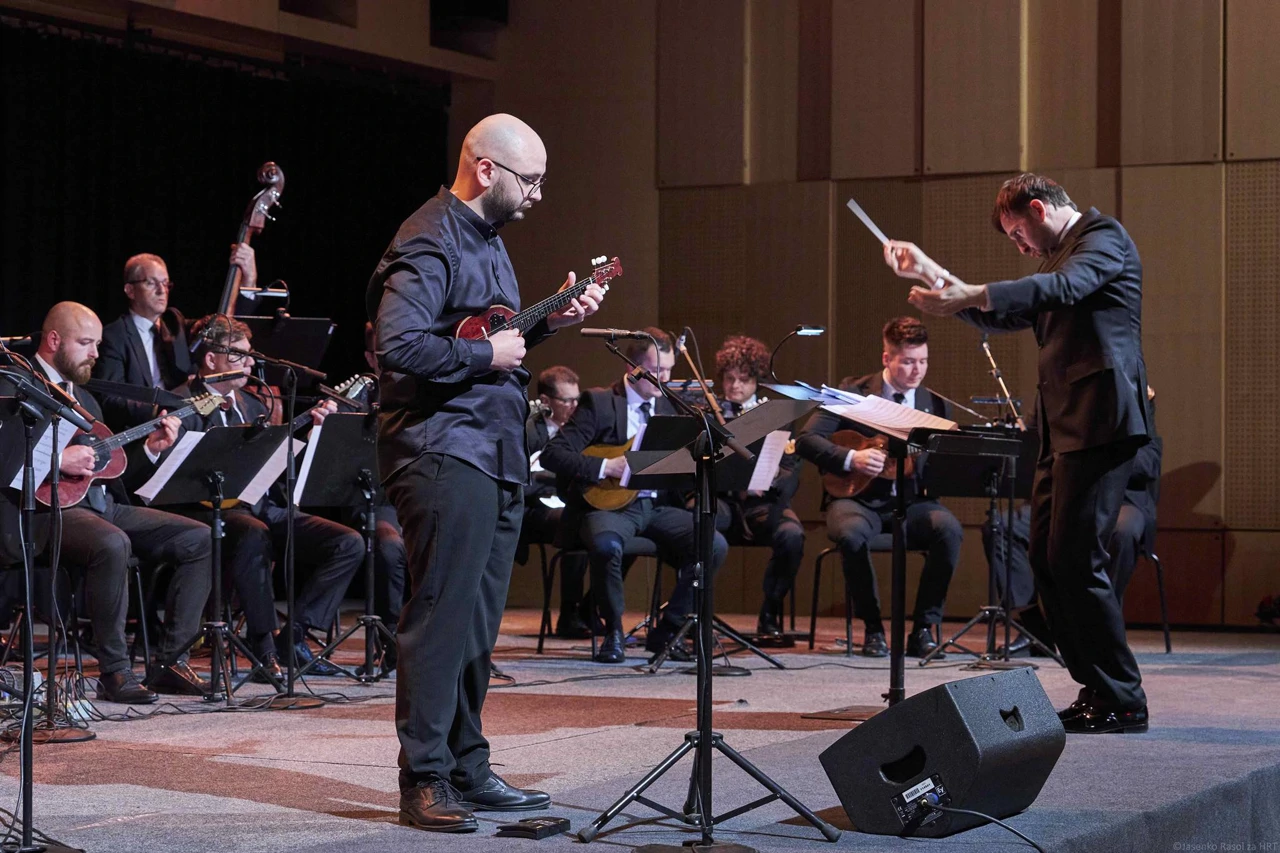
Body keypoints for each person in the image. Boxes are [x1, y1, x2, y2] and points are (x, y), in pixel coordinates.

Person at [367, 113, 606, 832]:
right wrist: (487, 358)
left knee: (476, 623)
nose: (538, 193)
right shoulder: (428, 238)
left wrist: (542, 327)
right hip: (443, 451)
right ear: (486, 170)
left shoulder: (492, 243)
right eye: (530, 179)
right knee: (440, 619)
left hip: (492, 452)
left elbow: (487, 335)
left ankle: (467, 763)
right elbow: (399, 345)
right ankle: (426, 778)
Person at [885, 172, 1155, 734]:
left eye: (1017, 233)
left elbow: (1057, 291)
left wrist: (972, 290)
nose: (1020, 245)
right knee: (1047, 561)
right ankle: (1098, 688)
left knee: (1079, 561)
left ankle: (1123, 698)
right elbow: (1006, 313)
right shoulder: (1057, 260)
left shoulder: (1103, 238)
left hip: (1103, 422)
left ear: (1038, 207)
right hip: (1064, 428)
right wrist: (932, 272)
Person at [32, 302, 213, 703]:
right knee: (113, 542)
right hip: (42, 512)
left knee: (199, 538)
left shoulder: (85, 399)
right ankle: (113, 673)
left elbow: (108, 475)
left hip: (98, 505)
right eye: (86, 343)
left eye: (98, 343)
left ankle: (170, 663)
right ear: (54, 340)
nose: (96, 353)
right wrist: (57, 460)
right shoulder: (17, 386)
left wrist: (150, 449)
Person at [170, 314, 363, 682]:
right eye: (238, 355)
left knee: (347, 543)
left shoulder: (253, 405)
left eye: (249, 355)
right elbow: (180, 472)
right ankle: (264, 649)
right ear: (211, 360)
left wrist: (311, 434)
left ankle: (294, 633)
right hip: (204, 510)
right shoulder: (184, 402)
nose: (249, 363)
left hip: (260, 506)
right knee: (253, 531)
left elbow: (274, 468)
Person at [540, 329, 729, 664]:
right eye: (658, 371)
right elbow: (553, 454)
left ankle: (668, 630)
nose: (666, 378)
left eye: (669, 370)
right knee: (605, 546)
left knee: (712, 543)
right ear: (633, 367)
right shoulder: (599, 402)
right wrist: (604, 466)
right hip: (607, 507)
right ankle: (613, 630)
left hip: (654, 507)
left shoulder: (671, 404)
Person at [796, 317, 962, 658]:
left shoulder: (934, 405)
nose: (917, 371)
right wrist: (850, 459)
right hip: (858, 499)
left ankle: (923, 631)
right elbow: (806, 439)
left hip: (912, 503)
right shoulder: (852, 392)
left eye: (923, 361)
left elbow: (939, 467)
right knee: (851, 534)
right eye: (908, 362)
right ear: (887, 358)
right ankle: (873, 630)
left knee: (949, 530)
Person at [985, 391, 1163, 655]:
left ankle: (1101, 631)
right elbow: (1032, 448)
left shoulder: (1131, 392)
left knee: (1123, 531)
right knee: (1001, 527)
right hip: (1064, 494)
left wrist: (1096, 454)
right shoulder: (1052, 390)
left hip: (1121, 498)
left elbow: (1149, 462)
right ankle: (1033, 628)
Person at [95, 247, 255, 429]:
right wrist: (162, 409)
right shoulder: (114, 336)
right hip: (144, 429)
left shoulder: (175, 323)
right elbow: (110, 399)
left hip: (190, 422)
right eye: (151, 283)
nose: (161, 290)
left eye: (165, 283)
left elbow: (223, 330)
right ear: (130, 290)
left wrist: (248, 280)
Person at [712, 335, 805, 640]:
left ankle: (770, 613)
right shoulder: (708, 412)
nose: (735, 386)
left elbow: (791, 469)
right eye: (729, 379)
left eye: (743, 379)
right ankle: (696, 615)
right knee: (697, 527)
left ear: (757, 380)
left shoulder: (773, 416)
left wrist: (771, 480)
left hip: (762, 503)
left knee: (792, 536)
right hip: (721, 501)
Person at [522, 365, 590, 639]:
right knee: (573, 519)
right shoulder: (529, 430)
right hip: (532, 510)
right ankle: (570, 614)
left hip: (565, 504)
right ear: (547, 401)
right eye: (567, 401)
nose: (574, 407)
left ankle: (586, 609)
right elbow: (524, 480)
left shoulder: (581, 430)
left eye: (577, 400)